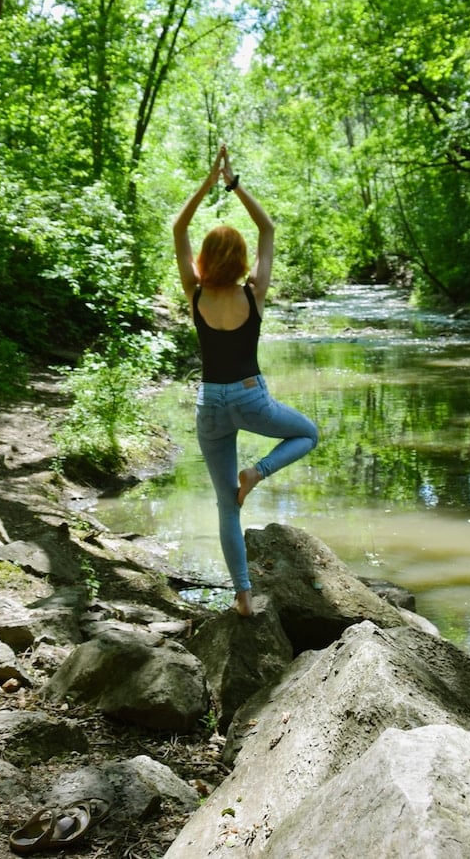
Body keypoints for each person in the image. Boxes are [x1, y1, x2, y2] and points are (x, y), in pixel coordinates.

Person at [173, 144, 319, 617]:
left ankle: (243, 596)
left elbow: (177, 228)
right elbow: (268, 229)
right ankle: (257, 472)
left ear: (204, 259)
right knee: (308, 433)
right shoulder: (254, 294)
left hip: (210, 405)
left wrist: (206, 182)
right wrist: (232, 184)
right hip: (252, 397)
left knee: (226, 506)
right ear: (239, 259)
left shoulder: (194, 293)